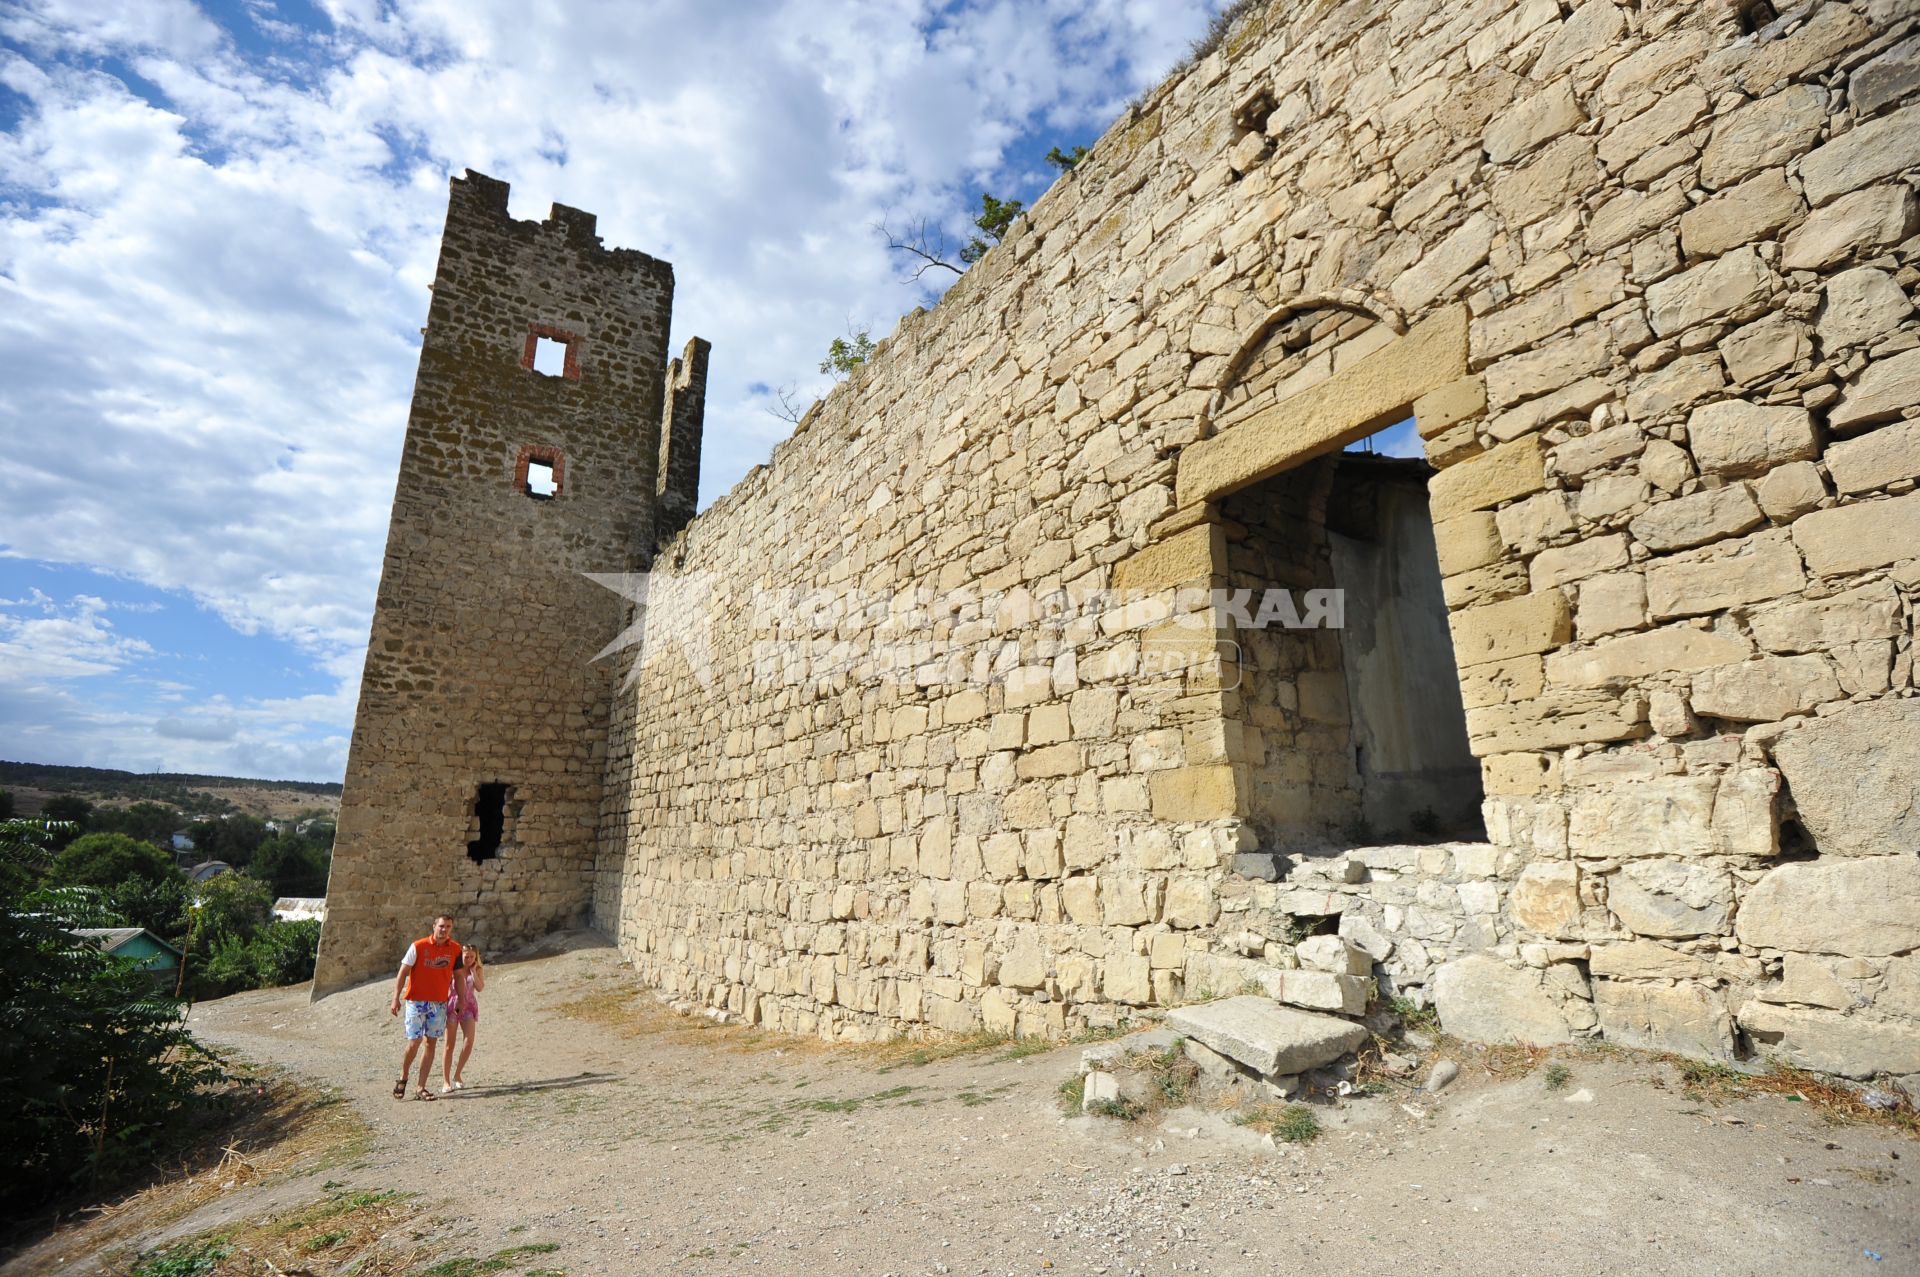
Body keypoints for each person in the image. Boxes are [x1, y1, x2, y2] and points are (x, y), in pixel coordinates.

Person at [389, 913, 463, 1100]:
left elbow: (459, 976)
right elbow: (403, 972)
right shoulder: (419, 946)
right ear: (434, 926)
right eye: (441, 926)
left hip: (439, 1003)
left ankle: (421, 1087)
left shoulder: (455, 949)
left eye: (448, 926)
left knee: (431, 1043)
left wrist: (461, 999)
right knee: (414, 1041)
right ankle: (403, 1076)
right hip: (416, 1001)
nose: (444, 929)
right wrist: (395, 998)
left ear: (451, 929)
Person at [441, 944, 484, 1093]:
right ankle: (446, 1081)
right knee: (449, 1045)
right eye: (466, 956)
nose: (469, 959)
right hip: (452, 1006)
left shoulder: (477, 969)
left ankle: (457, 1074)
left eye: (472, 956)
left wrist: (473, 972)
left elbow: (480, 988)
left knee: (469, 1041)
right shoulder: (454, 969)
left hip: (469, 1007)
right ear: (461, 956)